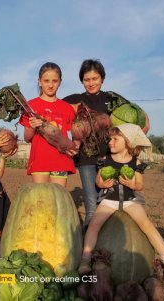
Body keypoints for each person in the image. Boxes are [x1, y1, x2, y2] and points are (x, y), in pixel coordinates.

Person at [78, 123, 164, 285]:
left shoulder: (136, 163)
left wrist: (132, 184)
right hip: (109, 200)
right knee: (94, 224)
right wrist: (102, 184)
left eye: (115, 139)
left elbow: (140, 185)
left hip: (129, 201)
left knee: (147, 225)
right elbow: (98, 180)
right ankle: (85, 260)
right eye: (110, 139)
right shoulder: (105, 160)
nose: (110, 142)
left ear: (129, 143)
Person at [64, 59, 150, 226]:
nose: (91, 83)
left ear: (102, 78)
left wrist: (143, 124)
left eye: (95, 78)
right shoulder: (76, 100)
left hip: (111, 158)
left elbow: (135, 112)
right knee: (92, 209)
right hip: (86, 160)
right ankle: (88, 249)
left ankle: (107, 245)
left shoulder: (111, 99)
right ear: (82, 81)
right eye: (87, 79)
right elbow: (54, 108)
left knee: (111, 205)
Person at [19, 62, 77, 187]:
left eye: (55, 81)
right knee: (41, 201)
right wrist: (31, 127)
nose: (50, 85)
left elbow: (75, 136)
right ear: (39, 81)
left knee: (59, 199)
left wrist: (74, 147)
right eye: (46, 81)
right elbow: (27, 138)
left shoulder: (67, 108)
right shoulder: (30, 106)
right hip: (40, 160)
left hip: (61, 160)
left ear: (60, 82)